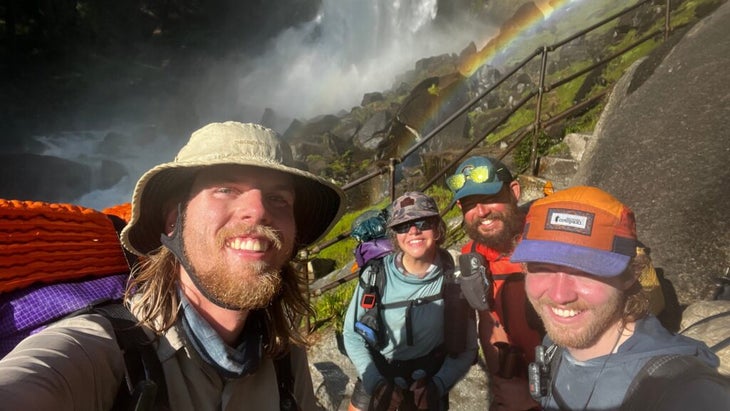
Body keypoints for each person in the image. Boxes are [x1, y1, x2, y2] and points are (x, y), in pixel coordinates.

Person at [0, 121, 344, 410]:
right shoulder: (104, 351)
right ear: (172, 222)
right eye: (225, 188)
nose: (259, 210)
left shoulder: (284, 357)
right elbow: (30, 381)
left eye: (278, 199)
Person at [510, 185, 730, 410]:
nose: (559, 295)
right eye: (541, 268)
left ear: (630, 275)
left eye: (586, 272)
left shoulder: (683, 391)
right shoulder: (554, 345)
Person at [343, 191, 478, 410]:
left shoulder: (454, 278)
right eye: (403, 226)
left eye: (422, 222)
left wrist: (438, 385)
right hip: (379, 374)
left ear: (437, 228)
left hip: (428, 383)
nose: (413, 231)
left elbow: (467, 347)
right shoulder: (376, 275)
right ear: (395, 234)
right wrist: (375, 383)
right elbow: (351, 334)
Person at [446, 156, 543, 411]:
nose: (481, 212)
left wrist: (533, 400)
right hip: (513, 391)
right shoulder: (473, 257)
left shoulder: (551, 244)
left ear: (514, 192)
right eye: (469, 204)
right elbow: (490, 322)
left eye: (489, 197)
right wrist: (503, 386)